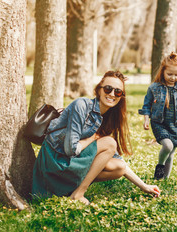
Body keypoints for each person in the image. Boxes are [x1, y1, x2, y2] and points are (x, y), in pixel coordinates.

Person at [32, 71, 161, 205]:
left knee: (119, 167)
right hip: (55, 162)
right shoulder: (81, 105)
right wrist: (91, 139)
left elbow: (115, 156)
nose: (111, 94)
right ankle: (79, 193)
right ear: (98, 90)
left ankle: (72, 189)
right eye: (107, 89)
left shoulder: (106, 117)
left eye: (117, 92)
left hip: (69, 162)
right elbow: (70, 149)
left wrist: (144, 186)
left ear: (121, 97)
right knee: (110, 143)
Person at [138, 52, 177, 180]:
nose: (173, 77)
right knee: (167, 146)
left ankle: (165, 179)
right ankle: (160, 166)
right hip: (159, 123)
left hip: (175, 125)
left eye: (176, 74)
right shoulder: (154, 88)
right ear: (163, 71)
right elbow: (146, 105)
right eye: (170, 74)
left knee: (172, 152)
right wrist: (146, 119)